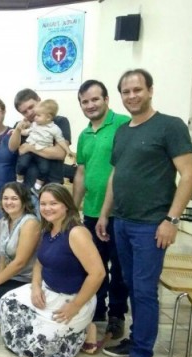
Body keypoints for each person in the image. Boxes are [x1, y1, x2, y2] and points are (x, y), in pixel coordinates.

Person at [96, 69, 192, 357]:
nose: (132, 96)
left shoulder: (170, 126)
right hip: (123, 221)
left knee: (143, 290)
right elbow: (117, 175)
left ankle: (141, 356)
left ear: (150, 90)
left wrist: (172, 220)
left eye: (137, 90)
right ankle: (136, 340)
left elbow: (190, 175)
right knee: (128, 283)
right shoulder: (124, 130)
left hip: (151, 224)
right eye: (126, 92)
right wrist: (104, 214)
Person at [0, 184, 104, 357]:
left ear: (66, 205)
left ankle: (84, 329)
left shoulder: (77, 233)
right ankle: (63, 327)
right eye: (43, 204)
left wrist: (75, 305)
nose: (47, 208)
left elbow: (98, 274)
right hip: (48, 291)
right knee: (6, 302)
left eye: (53, 203)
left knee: (40, 347)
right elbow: (39, 263)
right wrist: (35, 287)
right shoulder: (48, 229)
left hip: (72, 298)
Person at [72, 79, 131, 339]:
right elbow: (81, 172)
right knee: (93, 264)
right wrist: (73, 209)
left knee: (119, 267)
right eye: (85, 101)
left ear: (107, 99)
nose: (90, 105)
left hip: (120, 212)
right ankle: (97, 309)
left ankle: (117, 315)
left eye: (95, 99)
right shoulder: (84, 135)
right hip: (92, 210)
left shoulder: (123, 125)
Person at [0, 182, 39, 322]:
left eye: (14, 198)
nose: (9, 202)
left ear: (23, 201)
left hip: (27, 279)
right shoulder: (4, 221)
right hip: (11, 277)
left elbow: (20, 262)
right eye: (5, 198)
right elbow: (2, 256)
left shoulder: (30, 223)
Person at [12, 89, 72, 186]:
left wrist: (30, 147)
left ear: (39, 100)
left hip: (52, 187)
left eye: (31, 107)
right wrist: (17, 130)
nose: (30, 113)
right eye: (24, 112)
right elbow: (13, 149)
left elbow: (60, 153)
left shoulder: (59, 121)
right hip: (25, 189)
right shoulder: (20, 126)